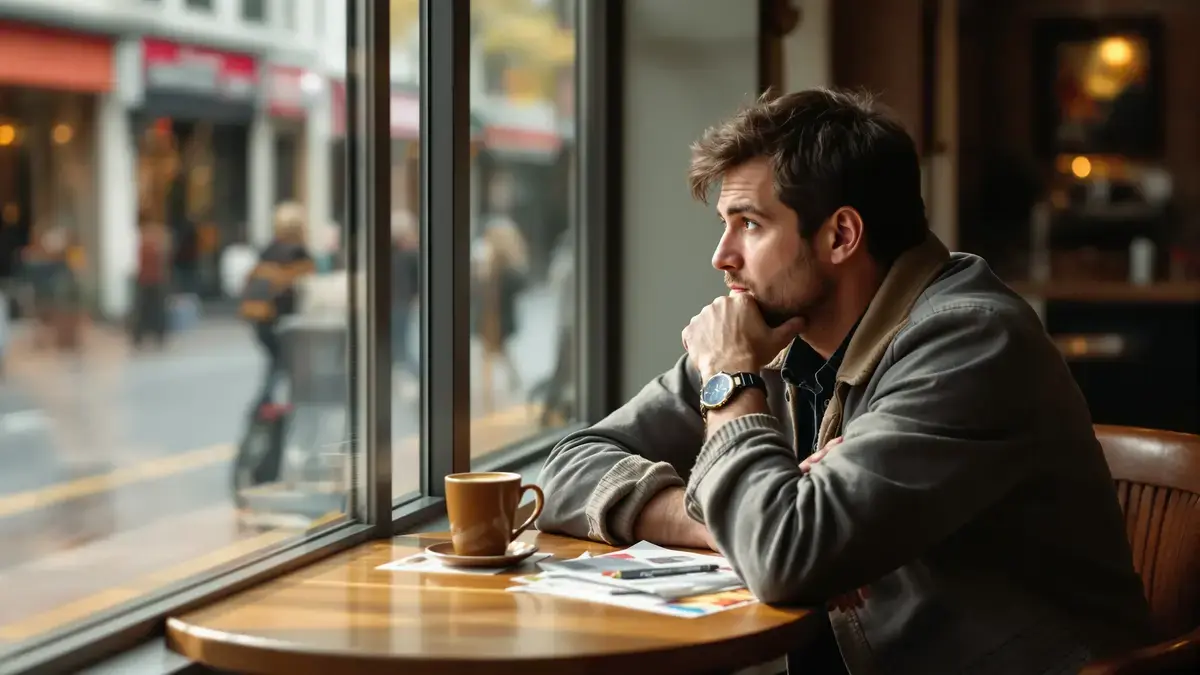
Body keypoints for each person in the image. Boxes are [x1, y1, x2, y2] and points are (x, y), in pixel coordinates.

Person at [535, 89, 1153, 674]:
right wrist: (722, 523)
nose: (722, 256)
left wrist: (729, 383)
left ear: (841, 236)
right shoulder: (777, 334)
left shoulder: (972, 342)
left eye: (750, 224)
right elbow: (565, 470)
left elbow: (785, 559)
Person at [240, 202, 314, 412]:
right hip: (284, 319)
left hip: (260, 318)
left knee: (278, 362)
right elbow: (306, 288)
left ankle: (268, 405)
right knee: (284, 363)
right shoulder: (298, 253)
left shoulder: (267, 251)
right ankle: (267, 405)